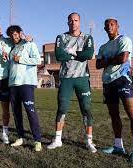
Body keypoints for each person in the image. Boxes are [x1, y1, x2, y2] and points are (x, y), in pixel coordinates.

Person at [47, 12, 97, 153]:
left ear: (79, 22)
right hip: (66, 77)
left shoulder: (87, 37)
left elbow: (88, 55)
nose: (73, 23)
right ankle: (57, 140)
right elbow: (59, 55)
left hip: (82, 77)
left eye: (75, 20)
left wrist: (72, 52)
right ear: (67, 22)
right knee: (62, 108)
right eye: (70, 20)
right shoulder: (61, 37)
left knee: (86, 109)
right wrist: (78, 53)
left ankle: (89, 141)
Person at [96, 17, 133, 162]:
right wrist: (111, 59)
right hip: (108, 82)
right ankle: (118, 146)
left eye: (112, 24)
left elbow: (123, 58)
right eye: (107, 25)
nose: (109, 26)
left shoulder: (124, 39)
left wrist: (107, 61)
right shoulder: (103, 47)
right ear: (104, 29)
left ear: (117, 26)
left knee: (132, 114)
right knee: (114, 115)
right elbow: (98, 64)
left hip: (123, 80)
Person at [6, 25, 42, 152]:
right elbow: (12, 66)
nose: (13, 36)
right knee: (16, 113)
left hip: (26, 83)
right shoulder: (12, 49)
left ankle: (37, 140)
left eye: (15, 34)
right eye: (11, 35)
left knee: (30, 111)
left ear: (20, 33)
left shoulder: (29, 44)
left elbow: (37, 60)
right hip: (13, 85)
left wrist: (21, 59)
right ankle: (20, 137)